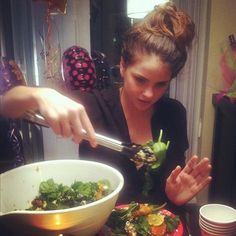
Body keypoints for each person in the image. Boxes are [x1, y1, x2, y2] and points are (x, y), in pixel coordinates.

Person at [75, 1, 212, 215]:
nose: (149, 94)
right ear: (122, 66)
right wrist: (41, 96)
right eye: (140, 79)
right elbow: (9, 104)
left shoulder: (174, 114)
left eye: (160, 84)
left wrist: (174, 196)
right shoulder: (93, 107)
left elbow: (171, 189)